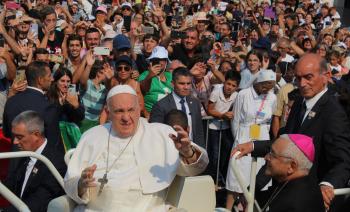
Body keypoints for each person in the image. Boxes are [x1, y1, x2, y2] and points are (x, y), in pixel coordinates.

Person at [232, 53, 350, 210]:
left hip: (309, 200)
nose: (302, 83)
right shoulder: (299, 102)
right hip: (284, 192)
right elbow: (284, 144)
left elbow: (343, 160)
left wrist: (327, 185)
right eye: (298, 78)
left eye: (308, 77)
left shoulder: (334, 113)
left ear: (326, 76)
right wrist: (253, 147)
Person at [64, 85, 208, 211]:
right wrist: (81, 185)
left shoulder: (162, 133)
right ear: (108, 113)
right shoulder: (92, 136)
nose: (126, 118)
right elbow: (71, 181)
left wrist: (187, 152)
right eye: (119, 111)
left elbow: (198, 167)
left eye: (131, 110)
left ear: (139, 109)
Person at [226, 69, 277, 210]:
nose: (268, 89)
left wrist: (264, 136)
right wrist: (238, 138)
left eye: (271, 85)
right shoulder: (243, 94)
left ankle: (247, 207)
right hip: (243, 134)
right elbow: (235, 119)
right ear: (259, 83)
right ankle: (228, 208)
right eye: (266, 85)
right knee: (236, 175)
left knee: (256, 174)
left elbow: (269, 120)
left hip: (261, 136)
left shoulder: (272, 97)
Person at [3, 111, 66, 212]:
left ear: (36, 135)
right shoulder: (25, 153)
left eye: (19, 137)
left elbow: (39, 202)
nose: (15, 142)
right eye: (14, 136)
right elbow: (11, 183)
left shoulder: (56, 163)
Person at [2, 61, 63, 153]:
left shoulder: (11, 101)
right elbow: (53, 143)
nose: (52, 79)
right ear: (40, 80)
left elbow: (7, 133)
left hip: (16, 162)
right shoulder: (48, 107)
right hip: (39, 163)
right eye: (49, 76)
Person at [258, 134, 325, 212]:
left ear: (291, 166)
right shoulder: (296, 181)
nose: (266, 157)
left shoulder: (293, 204)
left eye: (272, 154)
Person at [150, 67, 205, 148]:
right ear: (172, 84)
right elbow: (156, 134)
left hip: (191, 151)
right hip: (170, 151)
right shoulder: (161, 106)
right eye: (182, 83)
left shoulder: (195, 103)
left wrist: (201, 151)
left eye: (188, 83)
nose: (186, 87)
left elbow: (199, 131)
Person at [207, 71, 240, 184]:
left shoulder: (237, 95)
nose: (230, 87)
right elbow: (210, 110)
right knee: (215, 155)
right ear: (224, 82)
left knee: (226, 153)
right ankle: (213, 178)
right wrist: (222, 115)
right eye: (228, 84)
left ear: (237, 87)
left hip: (227, 128)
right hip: (213, 128)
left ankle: (221, 177)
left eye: (233, 85)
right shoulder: (216, 91)